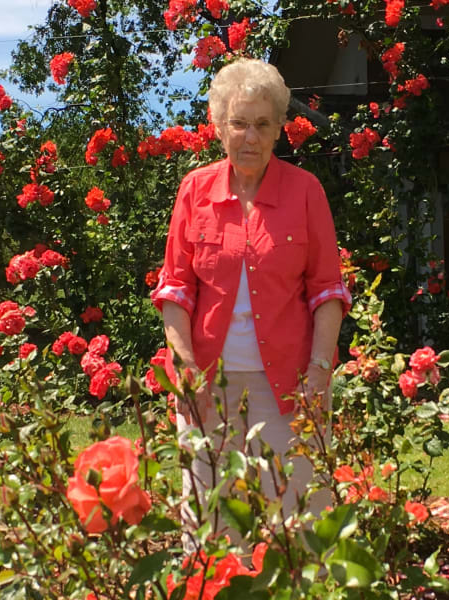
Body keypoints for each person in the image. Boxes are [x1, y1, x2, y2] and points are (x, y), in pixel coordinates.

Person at [151, 58, 350, 539]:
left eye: (263, 124)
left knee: (302, 525)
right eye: (239, 123)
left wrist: (320, 372)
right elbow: (175, 289)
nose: (250, 137)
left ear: (280, 128)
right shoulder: (193, 191)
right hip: (206, 384)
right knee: (211, 527)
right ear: (220, 126)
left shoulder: (306, 192)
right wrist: (187, 371)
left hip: (290, 386)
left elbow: (327, 291)